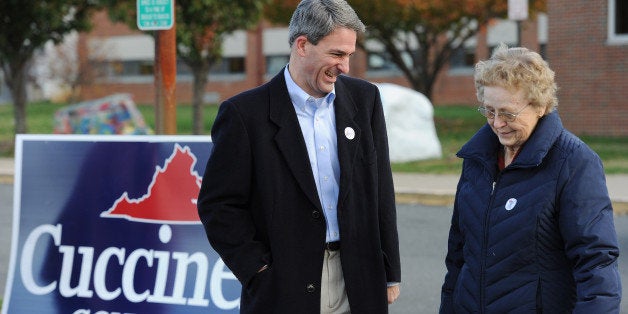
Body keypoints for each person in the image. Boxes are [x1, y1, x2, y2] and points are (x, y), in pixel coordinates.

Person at [197, 0, 401, 313]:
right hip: (285, 285)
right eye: (336, 54)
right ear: (303, 45)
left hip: (358, 278)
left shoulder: (365, 99)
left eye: (349, 55)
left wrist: (389, 272)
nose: (345, 66)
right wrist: (258, 270)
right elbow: (218, 206)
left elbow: (380, 189)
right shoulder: (244, 114)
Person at [439, 44, 622, 313]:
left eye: (508, 113)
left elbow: (595, 262)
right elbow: (458, 256)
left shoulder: (574, 162)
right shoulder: (477, 159)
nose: (497, 123)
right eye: (489, 111)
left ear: (540, 106)